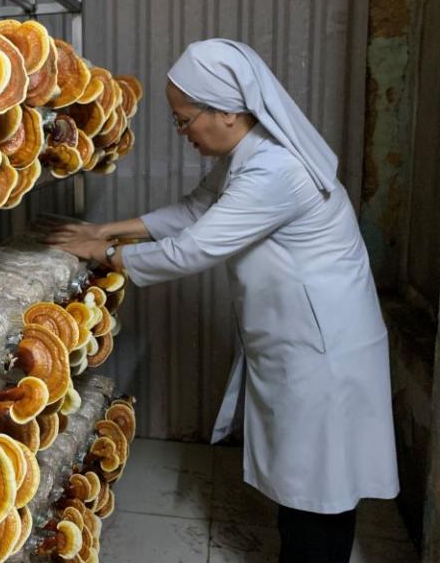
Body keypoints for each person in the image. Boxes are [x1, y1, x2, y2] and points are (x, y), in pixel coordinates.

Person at [46, 39, 399, 563]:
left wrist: (108, 253)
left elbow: (196, 247)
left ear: (228, 112)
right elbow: (196, 211)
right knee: (307, 483)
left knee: (319, 489)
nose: (183, 132)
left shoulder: (275, 171)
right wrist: (105, 229)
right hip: (307, 339)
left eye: (184, 120)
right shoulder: (249, 157)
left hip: (324, 350)